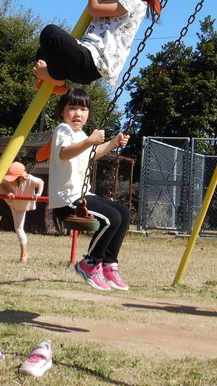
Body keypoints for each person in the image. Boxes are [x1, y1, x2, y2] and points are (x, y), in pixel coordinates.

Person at [34, 0, 163, 95]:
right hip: (87, 62)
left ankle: (56, 78)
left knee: (51, 32)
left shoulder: (133, 1)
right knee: (43, 50)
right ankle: (55, 82)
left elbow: (94, 9)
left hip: (94, 60)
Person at [47, 88, 131, 291]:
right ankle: (90, 263)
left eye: (83, 109)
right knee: (111, 218)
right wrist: (89, 141)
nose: (77, 113)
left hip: (82, 195)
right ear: (62, 111)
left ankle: (109, 264)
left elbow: (92, 154)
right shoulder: (63, 130)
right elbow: (64, 154)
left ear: (88, 114)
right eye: (72, 108)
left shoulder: (81, 134)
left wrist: (113, 143)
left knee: (123, 213)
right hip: (66, 199)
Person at [0, 161, 44, 263]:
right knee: (18, 229)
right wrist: (7, 192)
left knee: (19, 228)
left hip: (21, 206)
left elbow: (40, 182)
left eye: (13, 179)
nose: (10, 181)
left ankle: (24, 254)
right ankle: (23, 255)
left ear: (21, 177)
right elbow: (0, 185)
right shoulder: (8, 182)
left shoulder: (30, 179)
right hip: (13, 203)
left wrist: (38, 193)